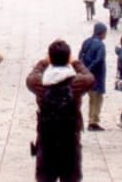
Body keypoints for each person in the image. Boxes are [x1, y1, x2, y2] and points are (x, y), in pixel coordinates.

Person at [27, 40, 95, 182]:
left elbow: (30, 78)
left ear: (50, 57)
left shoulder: (40, 82)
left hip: (46, 140)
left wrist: (43, 62)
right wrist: (76, 62)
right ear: (68, 57)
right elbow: (90, 78)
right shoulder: (76, 82)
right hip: (70, 139)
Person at [79, 22, 108, 131]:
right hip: (97, 75)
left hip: (86, 75)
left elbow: (80, 55)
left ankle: (91, 119)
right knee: (97, 99)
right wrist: (90, 69)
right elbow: (99, 59)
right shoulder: (100, 45)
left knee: (91, 98)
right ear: (102, 33)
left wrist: (83, 69)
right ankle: (93, 121)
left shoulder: (87, 41)